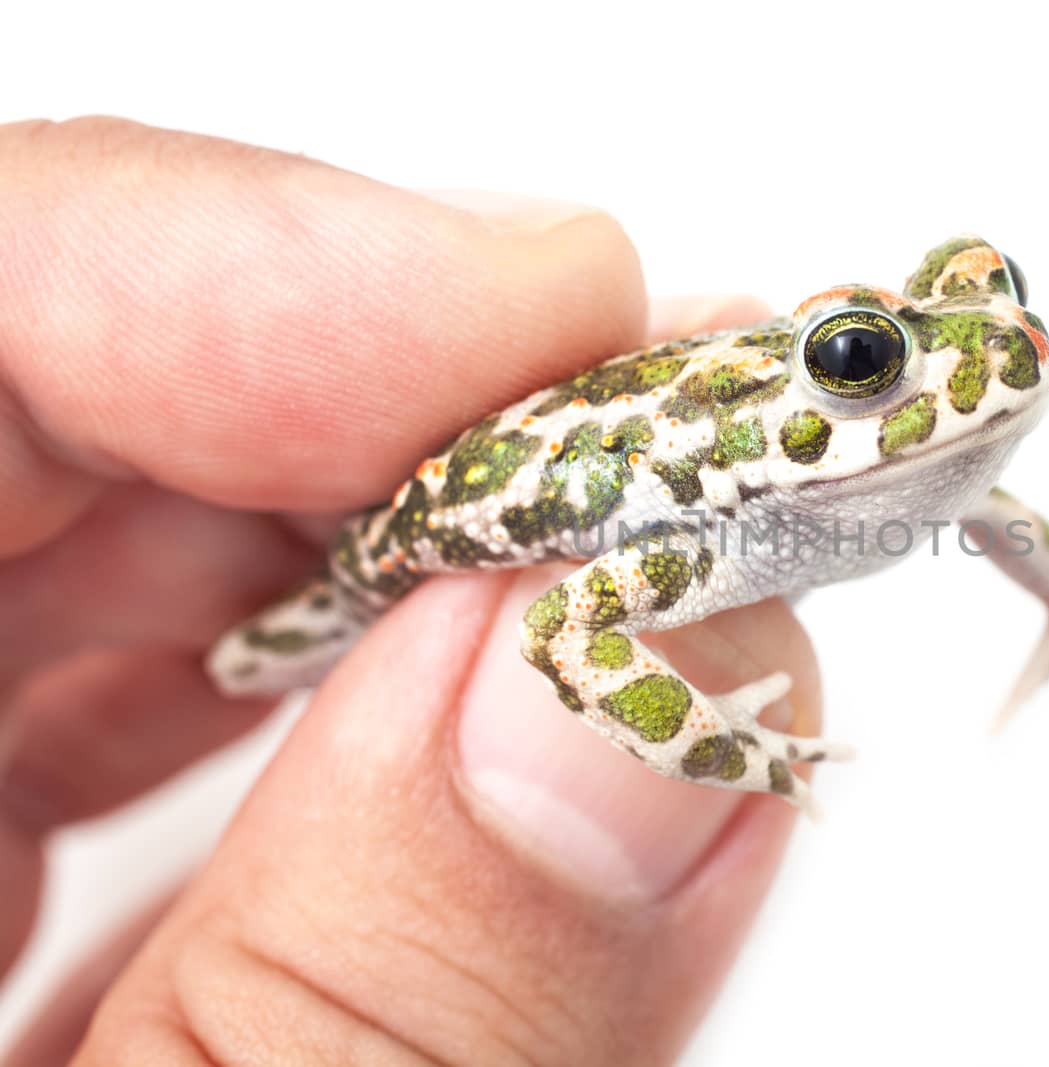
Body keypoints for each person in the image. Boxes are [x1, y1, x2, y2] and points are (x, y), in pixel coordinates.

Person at [0, 117, 822, 1066]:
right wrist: (714, 746)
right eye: (856, 366)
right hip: (380, 558)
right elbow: (561, 628)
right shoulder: (682, 547)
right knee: (239, 657)